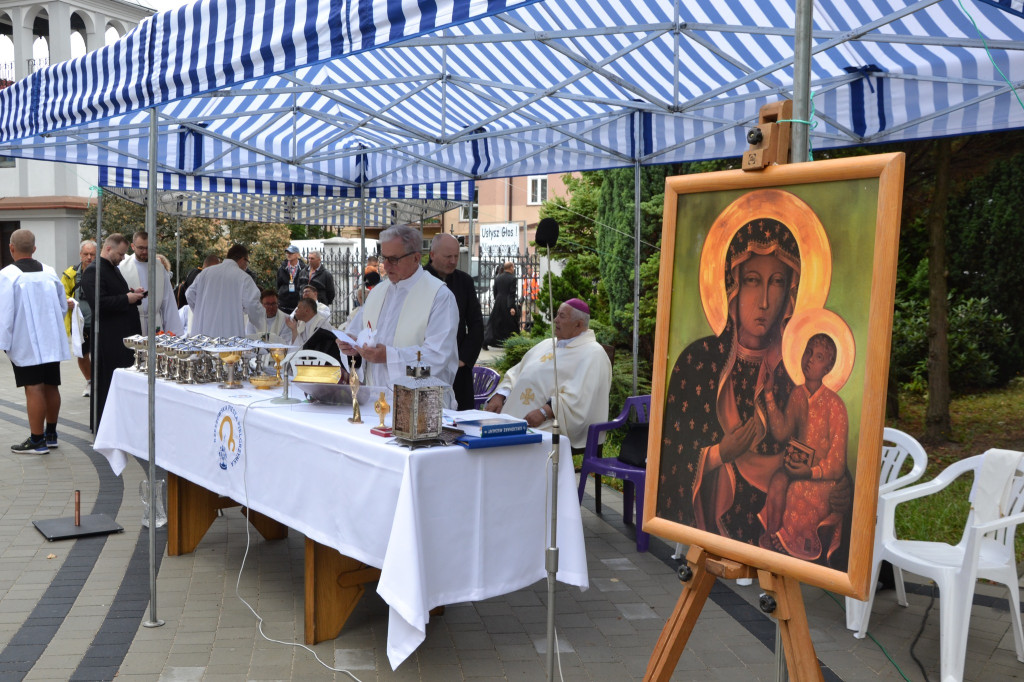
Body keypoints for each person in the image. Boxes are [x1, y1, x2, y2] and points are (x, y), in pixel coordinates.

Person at [657, 218, 801, 543]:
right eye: (752, 280)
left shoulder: (793, 375)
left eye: (777, 282)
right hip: (711, 527)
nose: (764, 300)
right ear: (732, 286)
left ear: (790, 291)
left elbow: (813, 450)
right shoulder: (699, 361)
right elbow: (671, 456)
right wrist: (720, 453)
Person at [337, 225, 459, 407]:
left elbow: (437, 359)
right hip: (375, 402)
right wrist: (352, 347)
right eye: (384, 258)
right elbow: (357, 334)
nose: (385, 266)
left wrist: (389, 357)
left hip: (421, 407)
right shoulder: (378, 292)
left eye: (394, 259)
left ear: (416, 258)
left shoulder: (440, 296)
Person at [760, 332, 849, 563]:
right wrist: (769, 394)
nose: (810, 359)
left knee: (798, 489)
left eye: (818, 356)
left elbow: (838, 463)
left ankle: (796, 542)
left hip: (823, 479)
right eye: (808, 352)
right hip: (798, 467)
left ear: (828, 367)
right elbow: (782, 432)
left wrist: (810, 472)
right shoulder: (798, 395)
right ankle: (773, 538)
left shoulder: (835, 405)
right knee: (778, 481)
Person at [483, 299, 611, 450]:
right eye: (557, 315)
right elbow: (515, 373)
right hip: (512, 418)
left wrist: (544, 412)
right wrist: (500, 395)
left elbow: (581, 398)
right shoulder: (546, 344)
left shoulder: (593, 353)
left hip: (549, 424)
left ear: (579, 324)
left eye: (562, 316)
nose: (555, 320)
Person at [0, 229, 71, 453]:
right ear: (34, 249)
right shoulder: (49, 272)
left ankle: (37, 440)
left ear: (11, 248)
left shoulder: (7, 275)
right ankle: (51, 434)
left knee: (34, 388)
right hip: (50, 339)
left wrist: (4, 342)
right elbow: (62, 306)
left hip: (25, 341)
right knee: (51, 384)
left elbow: (5, 313)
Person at [80, 233, 144, 430]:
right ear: (108, 249)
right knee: (108, 383)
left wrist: (134, 295)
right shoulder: (94, 271)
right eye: (121, 253)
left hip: (120, 336)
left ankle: (118, 424)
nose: (123, 258)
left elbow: (114, 295)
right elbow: (99, 303)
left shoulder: (111, 269)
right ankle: (104, 426)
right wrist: (127, 298)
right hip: (109, 339)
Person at [425, 233, 483, 410]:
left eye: (456, 256)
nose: (453, 261)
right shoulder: (420, 281)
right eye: (448, 256)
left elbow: (476, 323)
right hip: (428, 366)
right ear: (432, 254)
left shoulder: (464, 281)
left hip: (458, 367)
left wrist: (464, 358)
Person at [186, 244, 265, 338]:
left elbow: (189, 294)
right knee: (228, 352)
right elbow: (252, 304)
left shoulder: (205, 273)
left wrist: (202, 312)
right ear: (242, 259)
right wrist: (262, 324)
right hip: (229, 334)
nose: (246, 267)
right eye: (247, 262)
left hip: (203, 333)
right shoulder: (243, 278)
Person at [119, 231, 184, 336]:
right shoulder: (122, 267)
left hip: (155, 321)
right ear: (133, 246)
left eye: (147, 248)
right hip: (132, 321)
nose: (144, 251)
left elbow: (168, 301)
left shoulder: (159, 267)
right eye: (141, 248)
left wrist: (174, 332)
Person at [61, 239, 96, 396]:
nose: (89, 257)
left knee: (100, 353)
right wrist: (67, 301)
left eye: (92, 254)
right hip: (80, 323)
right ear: (80, 255)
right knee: (82, 354)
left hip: (99, 321)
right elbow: (61, 294)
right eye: (86, 254)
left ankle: (100, 381)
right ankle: (90, 381)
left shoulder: (102, 272)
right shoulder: (71, 274)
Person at [286, 298, 341, 363]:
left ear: (307, 310)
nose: (295, 311)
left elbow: (324, 349)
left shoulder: (321, 325)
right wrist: (294, 329)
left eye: (298, 308)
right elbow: (298, 346)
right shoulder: (302, 323)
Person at [485, 262, 518, 349]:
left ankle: (486, 341)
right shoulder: (513, 278)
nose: (513, 269)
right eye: (513, 267)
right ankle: (513, 342)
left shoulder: (498, 277)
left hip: (498, 301)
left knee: (494, 322)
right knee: (511, 323)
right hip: (507, 302)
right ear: (511, 267)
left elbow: (495, 290)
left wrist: (498, 299)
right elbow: (511, 294)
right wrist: (511, 307)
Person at [276, 245, 304, 314]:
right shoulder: (282, 268)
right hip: (284, 303)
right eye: (287, 253)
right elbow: (278, 284)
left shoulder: (303, 268)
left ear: (297, 255)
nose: (288, 255)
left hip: (297, 303)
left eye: (291, 253)